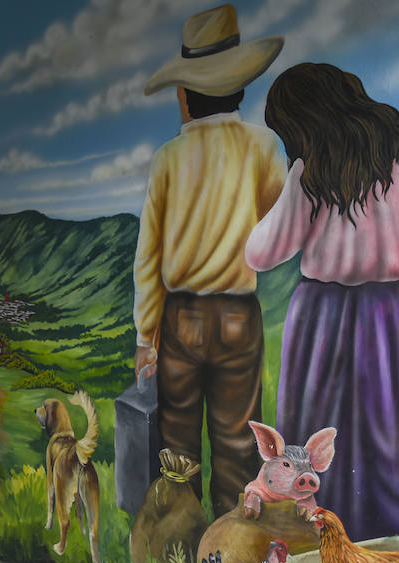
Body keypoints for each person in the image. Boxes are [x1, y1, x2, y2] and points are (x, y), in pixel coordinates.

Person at [244, 63, 399, 555]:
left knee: (315, 448)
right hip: (396, 319)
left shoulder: (311, 170)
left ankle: (318, 561)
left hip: (320, 322)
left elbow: (261, 253)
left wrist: (289, 184)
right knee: (398, 452)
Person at [133, 4, 286, 516]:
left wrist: (144, 338)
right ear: (238, 86)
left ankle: (180, 553)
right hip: (240, 315)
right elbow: (275, 229)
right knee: (241, 446)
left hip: (181, 317)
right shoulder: (264, 147)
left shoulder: (168, 159)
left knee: (176, 443)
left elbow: (148, 258)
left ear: (186, 93)